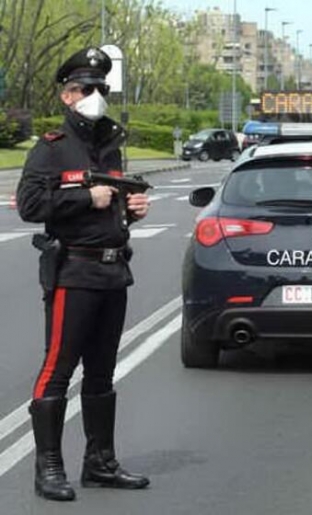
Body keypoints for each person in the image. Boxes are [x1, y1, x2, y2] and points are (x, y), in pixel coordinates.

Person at [16, 47, 151, 501]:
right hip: (73, 270)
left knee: (102, 373)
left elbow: (114, 208)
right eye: (87, 89)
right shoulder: (51, 149)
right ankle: (48, 469)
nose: (96, 96)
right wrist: (82, 199)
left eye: (101, 89)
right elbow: (31, 206)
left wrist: (132, 210)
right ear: (68, 96)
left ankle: (100, 463)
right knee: (58, 370)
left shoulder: (110, 143)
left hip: (114, 272)